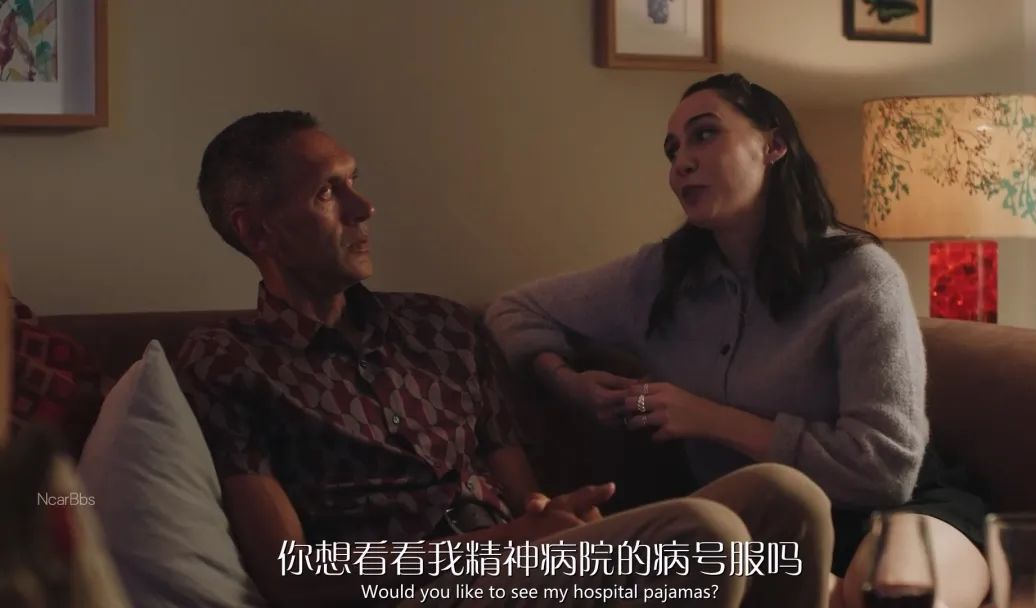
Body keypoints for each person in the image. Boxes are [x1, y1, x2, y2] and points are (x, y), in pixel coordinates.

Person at [175, 110, 835, 607]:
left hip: (521, 569)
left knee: (786, 497)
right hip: (417, 591)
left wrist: (555, 516)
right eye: (328, 193)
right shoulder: (228, 359)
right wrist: (503, 544)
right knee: (707, 534)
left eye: (354, 182)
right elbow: (290, 573)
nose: (364, 207)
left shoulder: (437, 325)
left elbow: (526, 495)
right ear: (256, 230)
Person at [484, 73, 991, 608]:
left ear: (773, 145)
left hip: (898, 508)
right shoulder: (656, 279)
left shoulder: (860, 276)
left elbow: (886, 472)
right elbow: (513, 309)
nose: (681, 163)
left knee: (888, 592)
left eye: (705, 135)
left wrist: (710, 419)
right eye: (672, 150)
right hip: (763, 527)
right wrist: (568, 383)